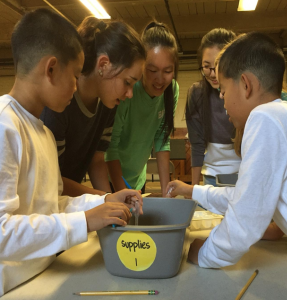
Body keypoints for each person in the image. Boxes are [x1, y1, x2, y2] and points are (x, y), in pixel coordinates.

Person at [0, 9, 143, 296]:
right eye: (75, 75)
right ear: (51, 69)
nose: (77, 86)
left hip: (43, 275)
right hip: (11, 286)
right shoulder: (5, 126)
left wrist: (104, 202)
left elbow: (52, 204)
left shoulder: (41, 131)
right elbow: (2, 233)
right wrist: (84, 221)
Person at [166, 32, 287, 268]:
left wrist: (206, 253)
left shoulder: (264, 117)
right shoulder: (286, 116)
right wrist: (192, 191)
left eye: (225, 90)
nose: (221, 96)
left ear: (246, 85)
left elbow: (246, 218)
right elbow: (244, 198)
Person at [40, 17, 146, 197]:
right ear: (103, 65)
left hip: (67, 201)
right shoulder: (61, 101)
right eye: (127, 82)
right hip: (45, 204)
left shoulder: (109, 102)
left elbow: (97, 160)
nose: (130, 94)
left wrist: (110, 201)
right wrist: (104, 200)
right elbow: (52, 180)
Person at [105, 21, 179, 196]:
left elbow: (162, 139)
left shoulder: (172, 90)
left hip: (138, 178)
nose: (160, 80)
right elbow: (111, 147)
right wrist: (122, 192)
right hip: (111, 177)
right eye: (152, 70)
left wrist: (165, 192)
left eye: (167, 71)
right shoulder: (128, 91)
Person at [185, 28, 240, 187]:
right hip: (211, 178)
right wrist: (193, 191)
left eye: (218, 66)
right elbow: (196, 146)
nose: (213, 74)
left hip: (244, 176)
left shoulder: (244, 94)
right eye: (206, 67)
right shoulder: (197, 94)